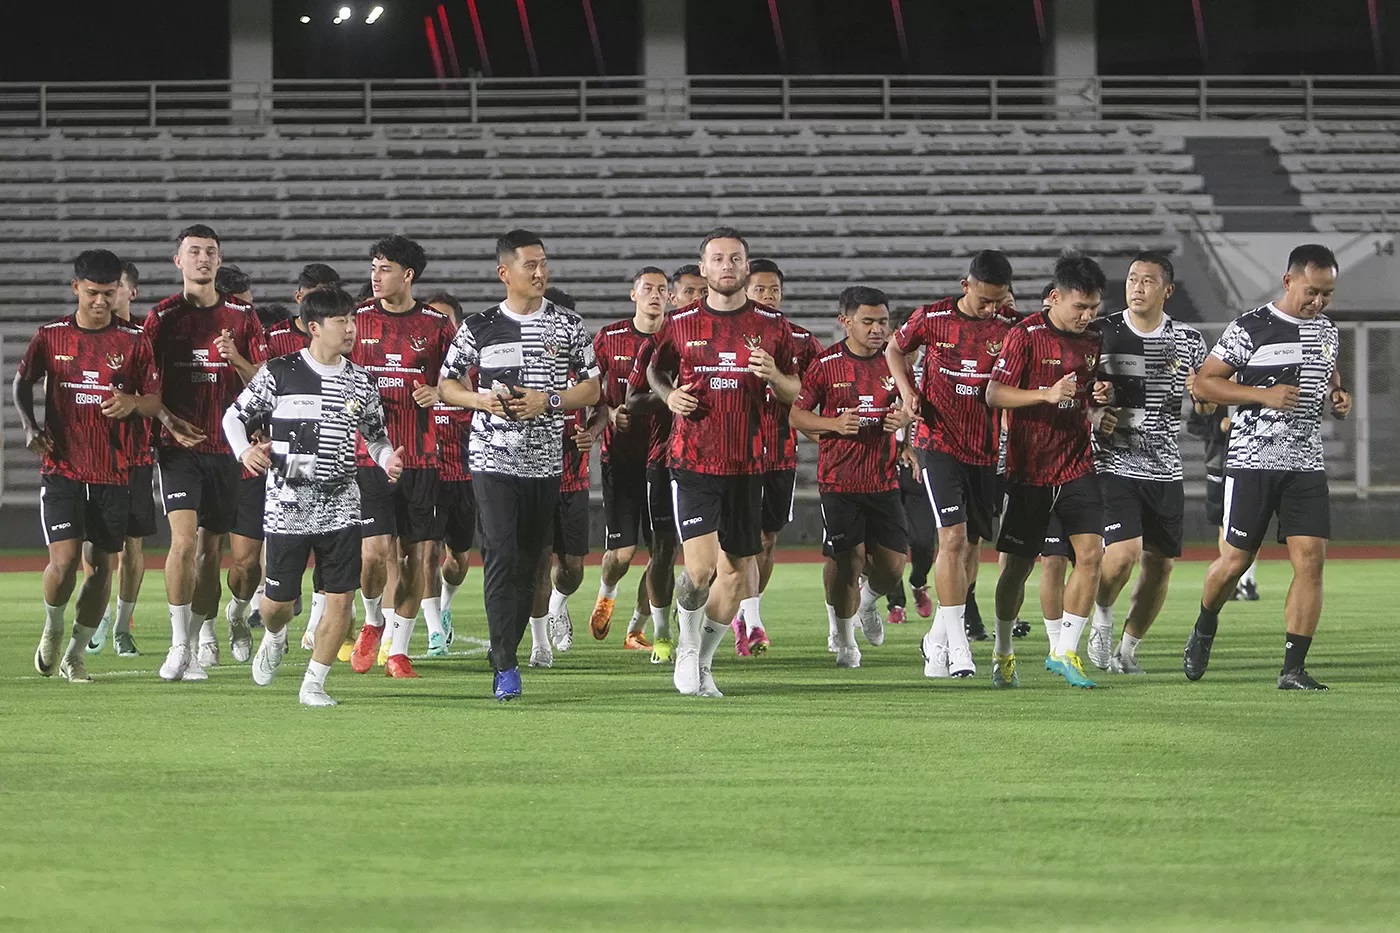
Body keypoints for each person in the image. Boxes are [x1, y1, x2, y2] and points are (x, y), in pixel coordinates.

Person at [17, 250, 200, 682]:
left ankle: (76, 653)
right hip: (62, 466)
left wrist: (132, 402)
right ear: (76, 288)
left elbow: (154, 401)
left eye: (109, 292)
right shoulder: (51, 336)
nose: (101, 301)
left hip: (114, 471)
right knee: (62, 563)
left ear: (121, 290)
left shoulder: (135, 341)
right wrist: (29, 426)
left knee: (101, 567)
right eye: (93, 292)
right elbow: (23, 381)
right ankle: (53, 627)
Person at [439, 230, 600, 701]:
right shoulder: (479, 326)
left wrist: (548, 400)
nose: (540, 272)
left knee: (531, 563)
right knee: (501, 555)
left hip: (546, 463)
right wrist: (480, 401)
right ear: (504, 273)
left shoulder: (568, 325)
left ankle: (513, 646)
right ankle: (504, 663)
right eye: (530, 264)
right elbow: (447, 385)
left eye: (544, 263)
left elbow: (591, 389)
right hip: (492, 459)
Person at [224, 286, 403, 707]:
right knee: (276, 606)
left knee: (341, 597)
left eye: (353, 320)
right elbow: (235, 416)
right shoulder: (280, 373)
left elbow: (376, 439)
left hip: (342, 504)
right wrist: (244, 450)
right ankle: (275, 633)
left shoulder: (362, 381)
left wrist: (386, 459)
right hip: (288, 507)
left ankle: (314, 684)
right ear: (314, 328)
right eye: (341, 322)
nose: (351, 329)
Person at [1184, 244, 1349, 690]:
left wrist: (1338, 395)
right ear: (1289, 281)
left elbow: (1327, 371)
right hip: (1251, 462)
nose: (1318, 303)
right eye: (1312, 292)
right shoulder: (1251, 326)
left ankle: (1292, 669)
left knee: (1311, 561)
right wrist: (1262, 395)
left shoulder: (1328, 331)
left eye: (1327, 295)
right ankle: (1204, 625)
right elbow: (1204, 383)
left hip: (1305, 464)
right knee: (1235, 562)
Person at [645, 227, 800, 697]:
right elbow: (654, 369)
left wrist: (775, 375)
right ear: (704, 267)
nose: (727, 266)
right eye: (718, 259)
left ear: (746, 267)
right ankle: (687, 645)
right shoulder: (681, 323)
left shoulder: (775, 326)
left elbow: (800, 392)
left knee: (735, 575)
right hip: (694, 461)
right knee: (699, 570)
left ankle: (703, 660)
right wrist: (669, 395)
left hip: (750, 467)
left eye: (735, 259)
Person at [887, 250, 1019, 681]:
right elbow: (894, 348)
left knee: (973, 544)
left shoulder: (1010, 326)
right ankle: (960, 644)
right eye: (984, 299)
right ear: (967, 286)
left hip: (985, 450)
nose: (990, 308)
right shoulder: (932, 318)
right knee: (953, 537)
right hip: (938, 442)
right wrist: (908, 391)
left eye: (998, 300)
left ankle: (938, 639)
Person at [144, 225, 267, 682]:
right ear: (178, 261)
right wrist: (169, 423)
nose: (202, 258)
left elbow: (264, 383)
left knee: (211, 552)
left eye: (210, 252)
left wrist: (235, 357)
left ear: (219, 260)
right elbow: (146, 383)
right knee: (184, 540)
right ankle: (179, 647)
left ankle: (199, 640)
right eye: (193, 251)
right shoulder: (162, 317)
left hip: (229, 449)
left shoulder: (242, 317)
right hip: (179, 448)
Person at [987, 254, 1112, 690]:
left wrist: (1099, 403)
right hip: (1030, 471)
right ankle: (1003, 651)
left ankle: (1064, 651)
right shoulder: (1024, 336)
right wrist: (1044, 394)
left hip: (1077, 463)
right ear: (1055, 298)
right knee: (1017, 570)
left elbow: (1084, 397)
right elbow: (994, 394)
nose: (1087, 316)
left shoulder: (1093, 338)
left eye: (1093, 308)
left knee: (1092, 555)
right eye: (1079, 307)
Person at [1084, 253, 1210, 673]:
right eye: (1132, 279)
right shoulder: (1100, 333)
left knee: (1160, 565)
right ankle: (1100, 615)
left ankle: (1128, 651)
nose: (1136, 287)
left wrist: (1204, 397)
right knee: (1122, 555)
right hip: (1112, 460)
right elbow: (1073, 392)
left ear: (1167, 290)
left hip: (1165, 466)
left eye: (1148, 281)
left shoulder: (1190, 341)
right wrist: (1093, 405)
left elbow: (1205, 407)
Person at [347, 235, 455, 679]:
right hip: (368, 456)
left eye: (385, 267)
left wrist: (440, 392)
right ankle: (373, 619)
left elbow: (458, 380)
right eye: (373, 266)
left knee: (415, 557)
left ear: (408, 275)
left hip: (423, 458)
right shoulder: (355, 322)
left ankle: (400, 650)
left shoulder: (436, 325)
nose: (375, 275)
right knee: (373, 554)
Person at [791, 287, 910, 668]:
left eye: (882, 322)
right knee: (847, 561)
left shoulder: (896, 362)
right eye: (868, 321)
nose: (878, 329)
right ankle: (844, 641)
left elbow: (913, 405)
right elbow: (797, 416)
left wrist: (902, 419)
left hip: (883, 480)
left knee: (893, 568)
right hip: (839, 481)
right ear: (845, 322)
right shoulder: (826, 365)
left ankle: (868, 603)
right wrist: (833, 424)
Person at [732, 259, 824, 656]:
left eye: (774, 291)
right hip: (733, 456)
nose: (768, 297)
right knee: (740, 543)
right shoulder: (726, 333)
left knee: (767, 539)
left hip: (780, 453)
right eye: (760, 290)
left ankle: (748, 612)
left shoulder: (799, 339)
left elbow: (813, 392)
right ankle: (748, 619)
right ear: (744, 291)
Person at [587, 268, 673, 652]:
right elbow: (591, 389)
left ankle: (637, 629)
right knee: (622, 554)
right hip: (620, 458)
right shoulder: (610, 337)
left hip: (666, 459)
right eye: (648, 289)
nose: (655, 295)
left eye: (662, 290)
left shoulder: (676, 338)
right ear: (633, 294)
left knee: (661, 553)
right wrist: (611, 412)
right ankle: (606, 594)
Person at [84, 260, 156, 658]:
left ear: (131, 293)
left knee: (132, 545)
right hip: (90, 456)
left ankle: (123, 622)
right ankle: (94, 615)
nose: (107, 299)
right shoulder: (83, 336)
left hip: (136, 455)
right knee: (95, 545)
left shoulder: (145, 338)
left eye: (115, 291)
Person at [535, 286, 594, 660]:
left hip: (574, 477)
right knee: (538, 560)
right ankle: (540, 644)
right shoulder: (527, 359)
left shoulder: (586, 364)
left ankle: (558, 605)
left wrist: (593, 432)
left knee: (571, 568)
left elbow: (603, 403)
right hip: (534, 474)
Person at [421, 292, 473, 658]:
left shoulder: (474, 373)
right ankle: (434, 627)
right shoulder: (412, 370)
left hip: (465, 477)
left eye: (445, 321)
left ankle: (446, 604)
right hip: (426, 475)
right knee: (426, 551)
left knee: (457, 560)